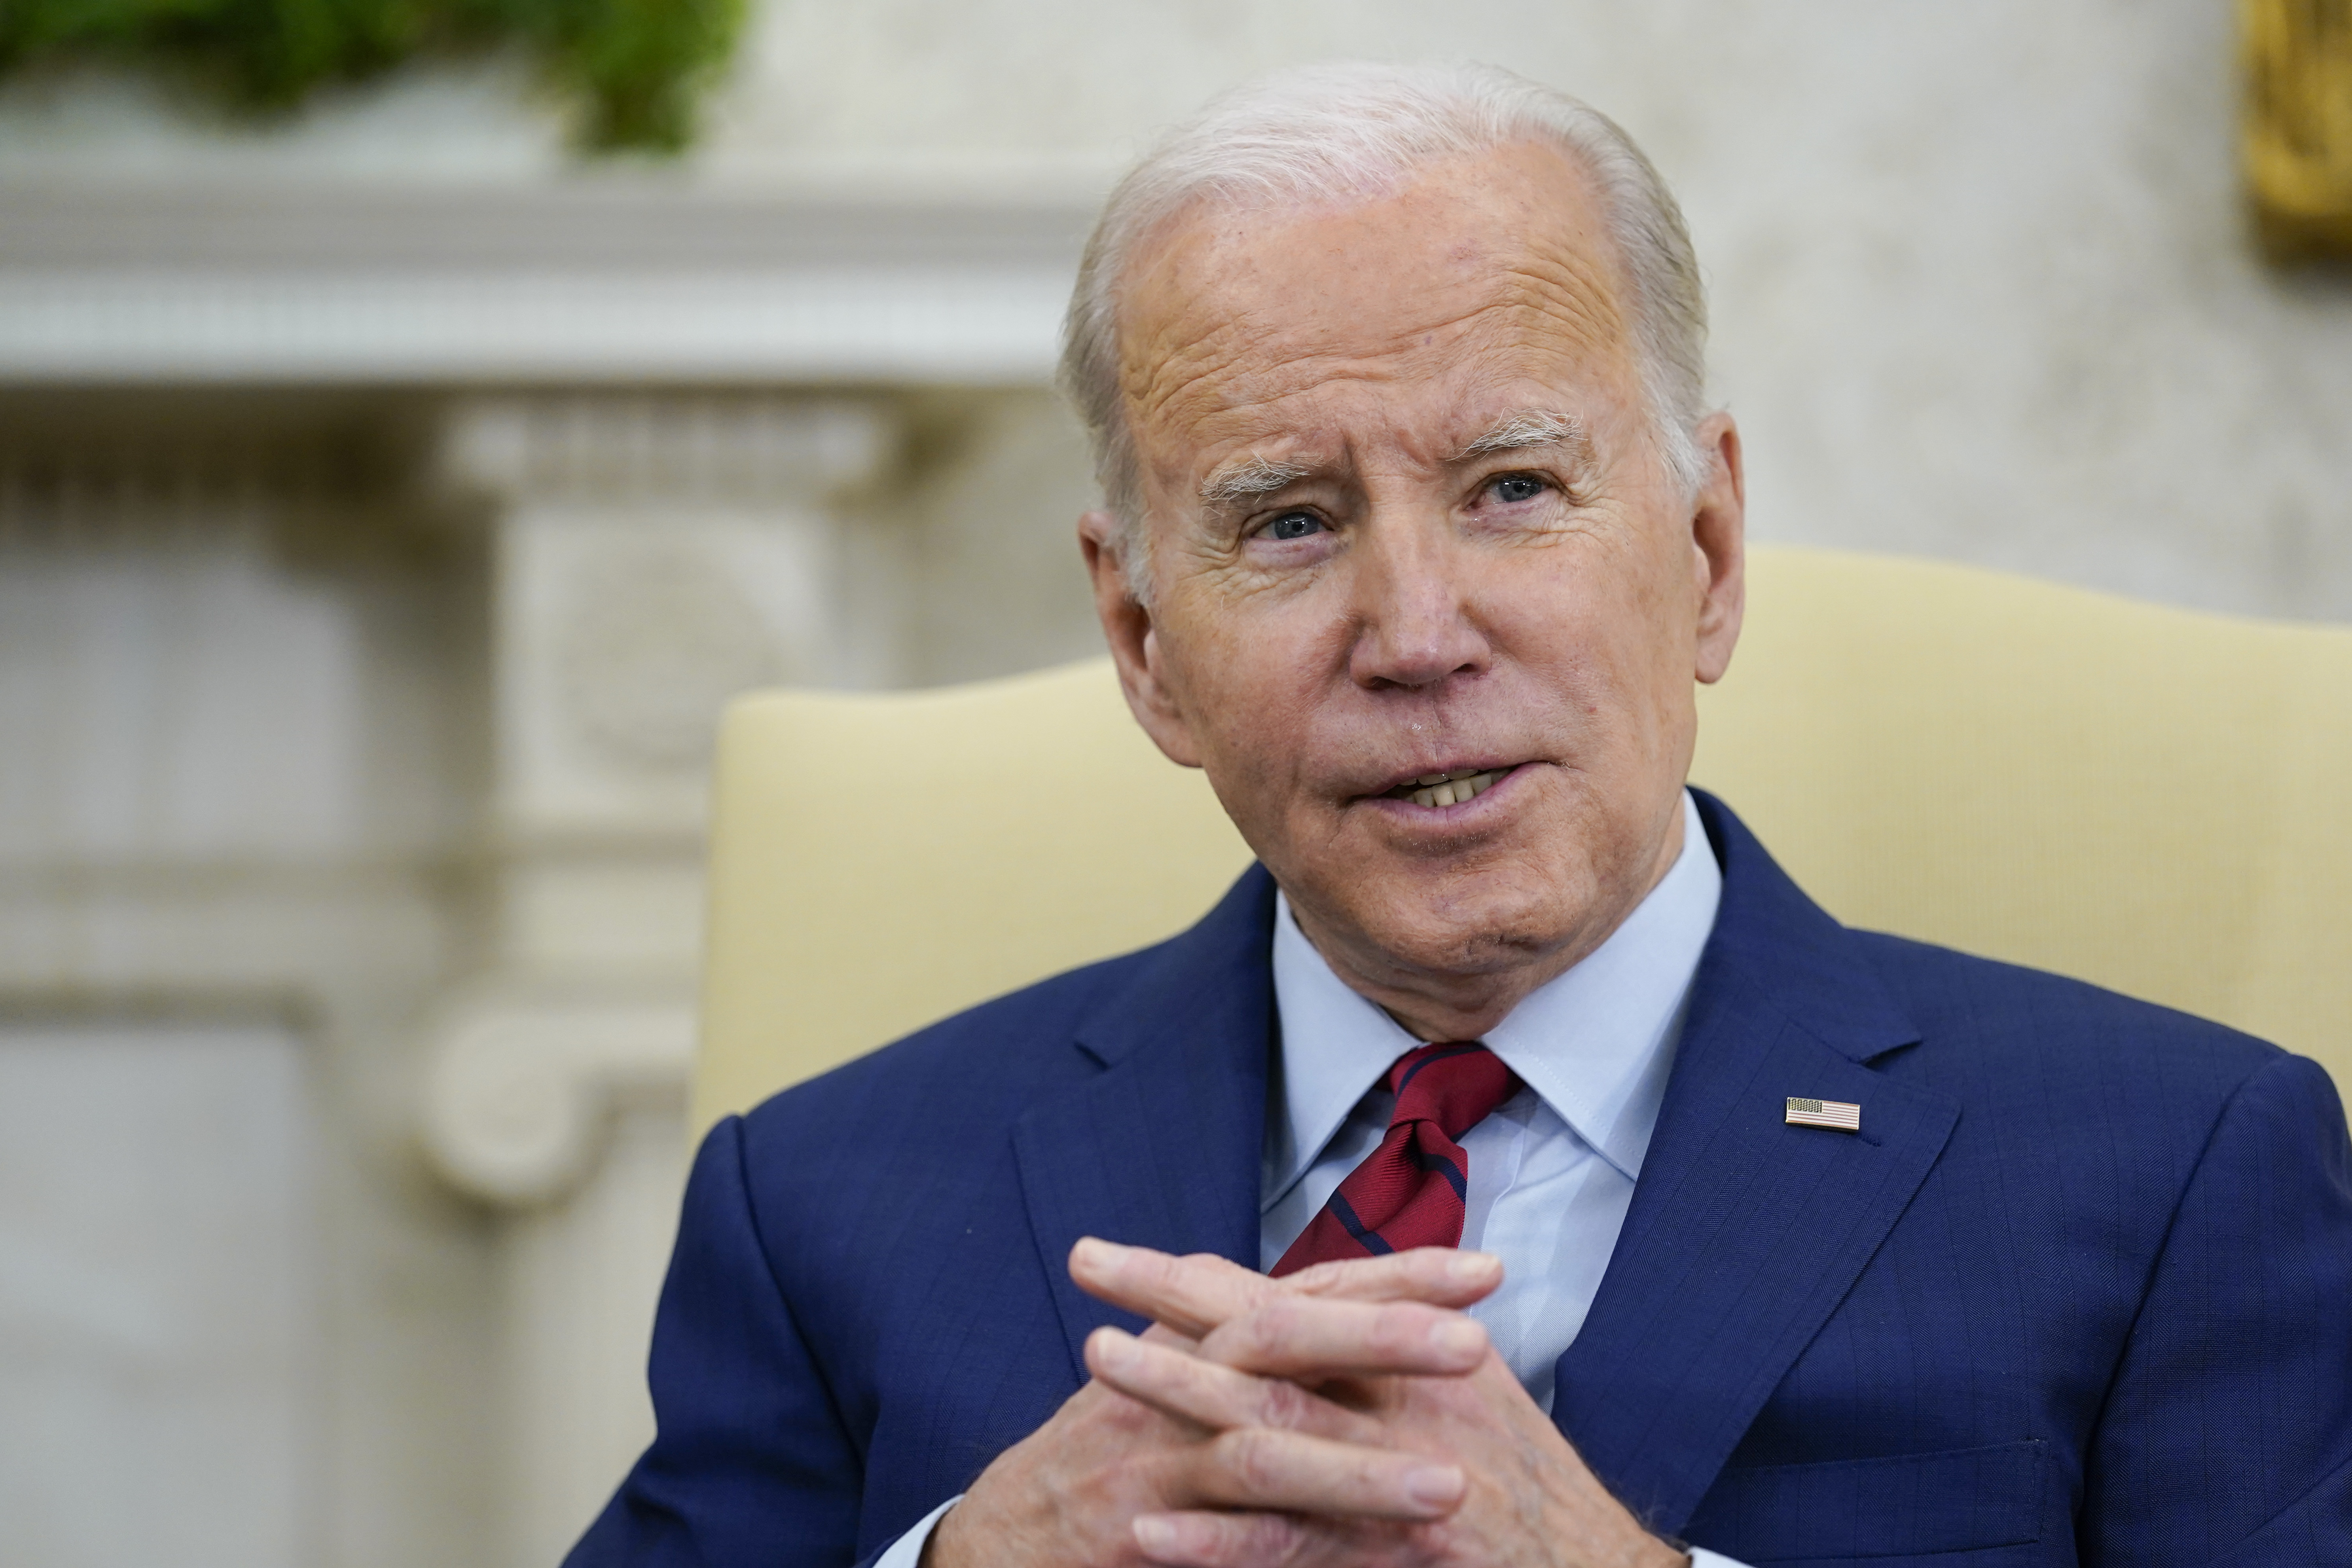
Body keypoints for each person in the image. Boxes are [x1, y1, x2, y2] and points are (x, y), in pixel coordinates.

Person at [568, 61, 2352, 1568]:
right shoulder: (823, 1202)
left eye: (1510, 489)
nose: (1416, 636)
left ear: (1706, 556)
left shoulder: (2176, 1176)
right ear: (1142, 644)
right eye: (1285, 525)